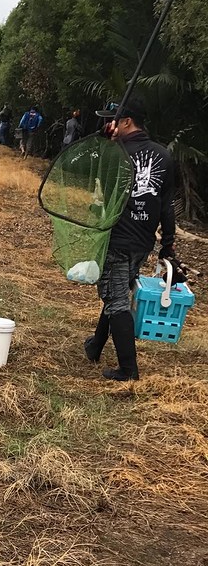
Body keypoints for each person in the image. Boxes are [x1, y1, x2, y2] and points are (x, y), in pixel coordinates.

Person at [84, 96, 176, 382]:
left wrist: (101, 142)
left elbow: (94, 188)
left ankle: (128, 369)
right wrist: (168, 244)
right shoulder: (163, 154)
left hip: (117, 238)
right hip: (142, 241)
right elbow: (166, 204)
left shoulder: (114, 153)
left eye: (111, 120)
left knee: (116, 300)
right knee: (118, 290)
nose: (107, 125)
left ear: (126, 122)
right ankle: (96, 345)